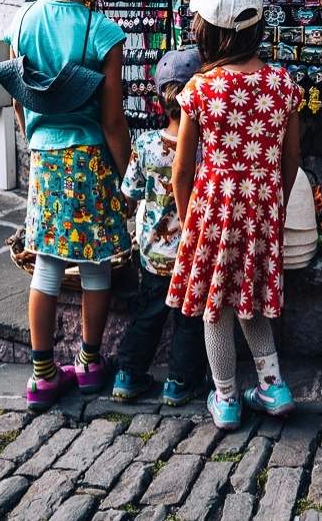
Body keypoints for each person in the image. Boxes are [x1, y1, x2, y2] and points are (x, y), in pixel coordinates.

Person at [3, 0, 131, 412]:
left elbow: (19, 97)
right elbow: (113, 120)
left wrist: (32, 139)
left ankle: (41, 375)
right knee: (96, 264)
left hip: (45, 159)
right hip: (91, 159)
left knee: (47, 267)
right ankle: (91, 363)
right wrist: (129, 176)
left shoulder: (23, 21)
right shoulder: (103, 32)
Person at [168, 0, 302, 430]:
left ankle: (225, 397)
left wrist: (190, 220)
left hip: (213, 212)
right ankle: (273, 386)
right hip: (262, 207)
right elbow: (292, 159)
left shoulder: (200, 91)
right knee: (252, 299)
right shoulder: (283, 85)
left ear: (207, 31)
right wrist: (275, 203)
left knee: (216, 306)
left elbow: (182, 170)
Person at [112, 48, 208, 405]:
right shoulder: (202, 150)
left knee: (148, 313)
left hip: (153, 253)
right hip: (190, 252)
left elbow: (130, 193)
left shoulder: (147, 144)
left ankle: (128, 374)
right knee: (187, 318)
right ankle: (179, 382)